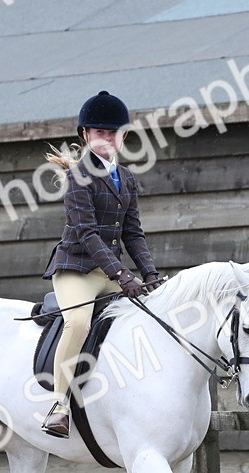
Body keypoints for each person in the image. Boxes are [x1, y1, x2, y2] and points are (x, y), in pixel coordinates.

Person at [39, 90, 163, 439]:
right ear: (85, 135)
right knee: (78, 323)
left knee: (150, 315)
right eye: (100, 132)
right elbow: (88, 233)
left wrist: (150, 273)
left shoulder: (126, 178)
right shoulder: (78, 176)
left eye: (113, 133)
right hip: (77, 269)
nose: (107, 138)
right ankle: (59, 406)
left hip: (109, 273)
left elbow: (133, 233)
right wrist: (122, 273)